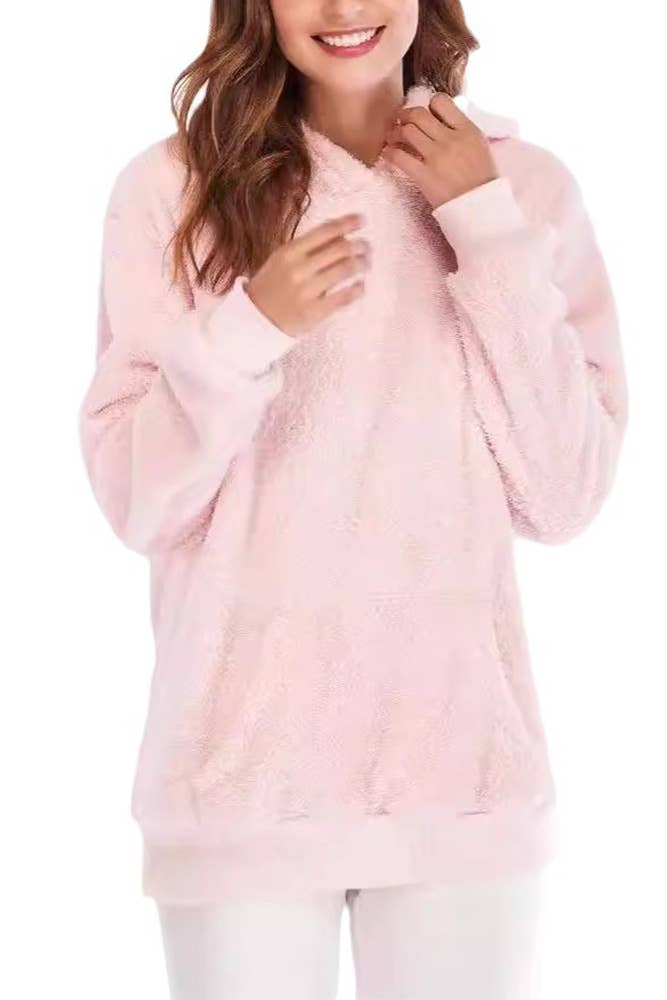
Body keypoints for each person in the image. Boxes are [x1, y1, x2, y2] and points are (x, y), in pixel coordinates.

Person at [77, 0, 629, 996]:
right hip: (241, 785)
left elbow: (564, 494)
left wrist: (483, 225)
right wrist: (247, 328)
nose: (340, 8)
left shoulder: (521, 188)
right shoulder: (174, 190)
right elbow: (139, 501)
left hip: (459, 786)